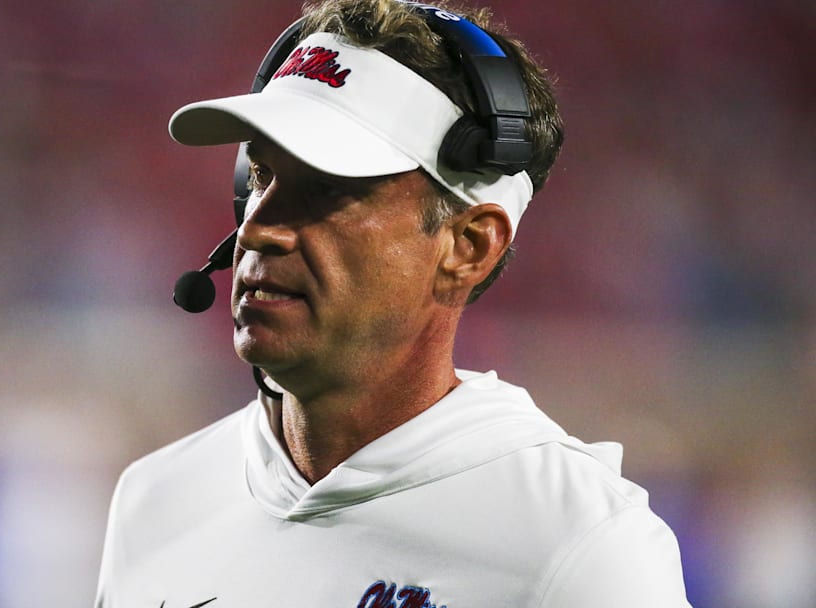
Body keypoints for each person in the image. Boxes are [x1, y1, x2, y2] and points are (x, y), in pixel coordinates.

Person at [95, 0, 691, 606]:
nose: (259, 228)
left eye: (328, 188)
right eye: (262, 178)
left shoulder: (582, 546)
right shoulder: (153, 498)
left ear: (467, 245)